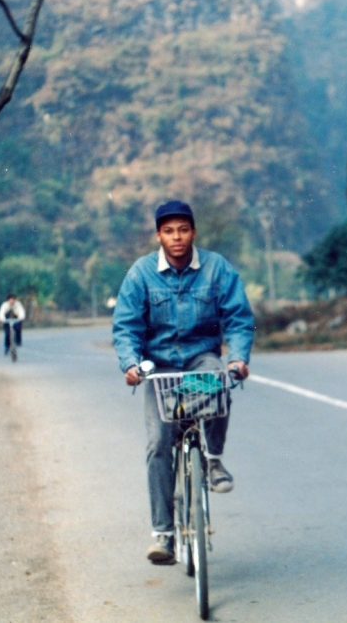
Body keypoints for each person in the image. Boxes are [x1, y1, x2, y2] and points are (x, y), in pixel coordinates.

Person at [112, 200, 255, 565]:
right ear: (159, 235)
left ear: (193, 232)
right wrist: (131, 364)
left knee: (218, 379)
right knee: (159, 443)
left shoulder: (216, 268)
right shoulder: (141, 274)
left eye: (184, 229)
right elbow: (126, 327)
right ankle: (163, 533)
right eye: (169, 231)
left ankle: (215, 460)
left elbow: (238, 318)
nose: (177, 238)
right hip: (157, 368)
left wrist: (238, 358)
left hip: (198, 360)